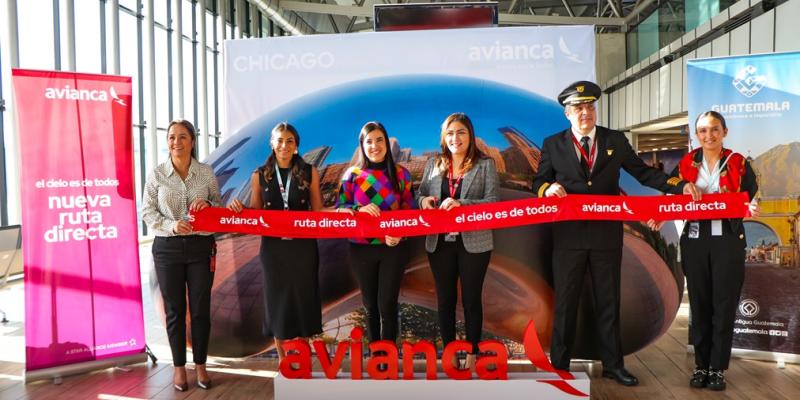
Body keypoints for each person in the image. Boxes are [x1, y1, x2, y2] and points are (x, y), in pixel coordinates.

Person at [531, 81, 701, 386]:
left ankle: (613, 364)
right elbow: (539, 181)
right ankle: (560, 363)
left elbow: (643, 172)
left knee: (609, 301)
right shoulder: (552, 144)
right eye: (579, 108)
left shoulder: (614, 140)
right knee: (566, 302)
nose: (586, 112)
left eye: (590, 107)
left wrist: (676, 186)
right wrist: (548, 188)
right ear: (568, 113)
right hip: (568, 238)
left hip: (606, 237)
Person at [648, 111, 758, 391]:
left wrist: (748, 207)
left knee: (724, 305)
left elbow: (749, 195)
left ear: (724, 131)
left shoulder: (738, 163)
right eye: (702, 131)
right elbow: (671, 193)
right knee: (699, 305)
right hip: (696, 240)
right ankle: (700, 366)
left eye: (714, 129)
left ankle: (717, 368)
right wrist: (660, 215)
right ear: (696, 135)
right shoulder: (687, 163)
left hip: (728, 241)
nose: (708, 135)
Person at [227, 122, 332, 364]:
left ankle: (302, 359)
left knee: (303, 300)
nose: (284, 145)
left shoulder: (309, 172)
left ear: (296, 146)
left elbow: (318, 209)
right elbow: (255, 212)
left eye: (290, 141)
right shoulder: (259, 175)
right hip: (274, 250)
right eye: (280, 141)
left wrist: (344, 213)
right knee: (278, 303)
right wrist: (239, 208)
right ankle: (284, 361)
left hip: (303, 248)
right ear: (272, 144)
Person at [415, 113, 498, 370]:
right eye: (450, 133)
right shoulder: (433, 164)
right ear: (444, 137)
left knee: (471, 299)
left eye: (461, 132)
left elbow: (492, 203)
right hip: (439, 243)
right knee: (445, 300)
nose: (455, 138)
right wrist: (423, 201)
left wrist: (462, 204)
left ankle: (473, 353)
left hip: (474, 242)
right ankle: (450, 353)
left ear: (470, 135)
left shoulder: (485, 164)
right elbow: (421, 193)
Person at [142, 119, 221, 391]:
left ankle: (201, 365)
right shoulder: (157, 174)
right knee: (174, 311)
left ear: (193, 141)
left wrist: (208, 205)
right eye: (172, 137)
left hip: (201, 248)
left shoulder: (206, 173)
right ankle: (178, 368)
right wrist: (171, 225)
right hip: (168, 249)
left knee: (200, 311)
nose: (176, 142)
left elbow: (219, 208)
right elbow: (147, 213)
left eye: (182, 137)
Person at [336, 121, 415, 347]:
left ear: (386, 143)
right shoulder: (352, 175)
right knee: (370, 305)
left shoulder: (402, 175)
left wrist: (400, 234)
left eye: (379, 140)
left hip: (393, 249)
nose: (375, 146)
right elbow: (340, 207)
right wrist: (358, 209)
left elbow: (410, 210)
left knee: (387, 304)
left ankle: (388, 356)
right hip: (361, 249)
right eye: (369, 141)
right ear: (362, 145)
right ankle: (376, 356)